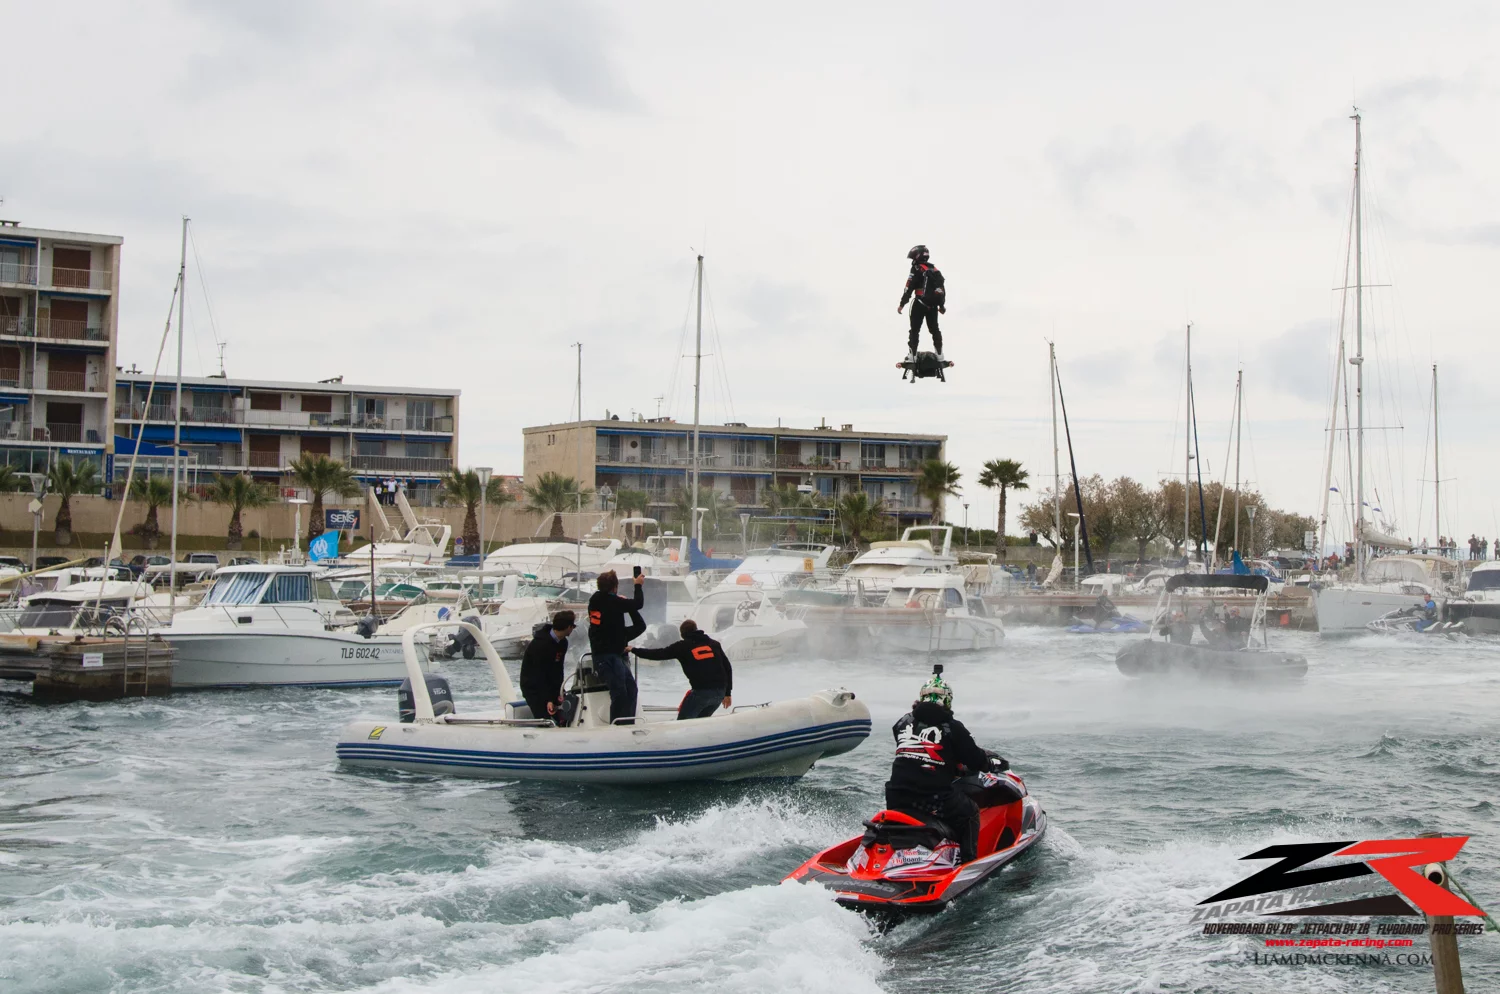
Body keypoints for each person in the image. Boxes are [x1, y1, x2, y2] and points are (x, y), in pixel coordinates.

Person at [884, 668, 1002, 865]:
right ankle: (968, 864)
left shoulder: (903, 722)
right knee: (970, 812)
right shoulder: (952, 727)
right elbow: (975, 759)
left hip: (895, 796)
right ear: (947, 700)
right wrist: (989, 762)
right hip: (932, 798)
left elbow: (911, 750)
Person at [629, 619, 733, 719]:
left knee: (683, 724)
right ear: (696, 629)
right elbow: (728, 667)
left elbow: (658, 654)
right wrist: (728, 693)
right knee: (700, 723)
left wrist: (634, 650)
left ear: (682, 634)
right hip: (720, 693)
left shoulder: (682, 646)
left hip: (701, 693)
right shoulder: (714, 644)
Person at [587, 569, 645, 723]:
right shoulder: (612, 601)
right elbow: (638, 603)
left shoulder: (595, 599)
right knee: (619, 691)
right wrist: (638, 585)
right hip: (606, 656)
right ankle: (617, 725)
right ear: (615, 587)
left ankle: (629, 723)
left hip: (614, 652)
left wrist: (622, 602)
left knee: (631, 689)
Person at [518, 610, 576, 725]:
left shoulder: (563, 643)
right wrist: (548, 700)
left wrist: (559, 693)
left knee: (565, 719)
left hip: (550, 685)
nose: (573, 629)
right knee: (545, 720)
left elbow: (558, 670)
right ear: (568, 627)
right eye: (573, 626)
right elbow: (539, 674)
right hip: (533, 687)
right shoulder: (540, 645)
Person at [897, 244, 946, 362]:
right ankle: (939, 354)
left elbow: (909, 288)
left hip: (919, 303)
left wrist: (902, 304)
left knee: (914, 330)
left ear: (917, 257)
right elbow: (941, 289)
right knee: (935, 329)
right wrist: (941, 306)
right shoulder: (935, 270)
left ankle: (912, 355)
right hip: (933, 306)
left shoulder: (917, 269)